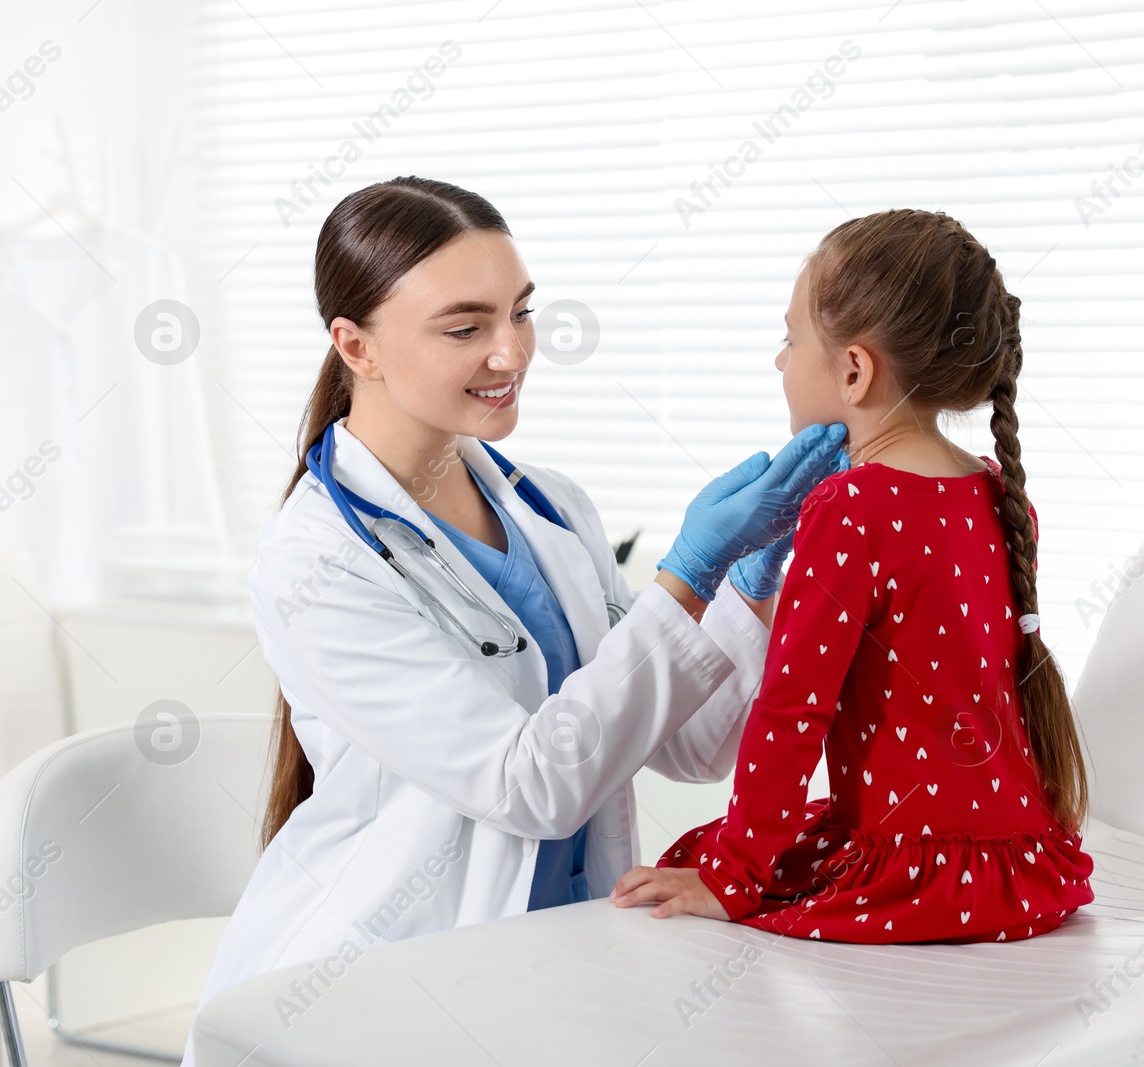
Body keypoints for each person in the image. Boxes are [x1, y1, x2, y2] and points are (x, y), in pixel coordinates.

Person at [189, 176, 846, 1030]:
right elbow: (530, 784)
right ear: (356, 347)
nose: (512, 352)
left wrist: (753, 572)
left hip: (557, 962)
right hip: (379, 986)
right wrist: (686, 574)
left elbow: (688, 744)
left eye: (522, 312)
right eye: (467, 328)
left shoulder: (551, 509)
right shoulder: (316, 560)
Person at [612, 208, 1094, 943]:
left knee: (692, 856)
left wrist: (735, 873)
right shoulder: (1001, 493)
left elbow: (792, 709)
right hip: (1016, 870)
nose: (780, 361)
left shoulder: (850, 506)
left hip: (912, 873)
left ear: (854, 369)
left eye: (790, 338)